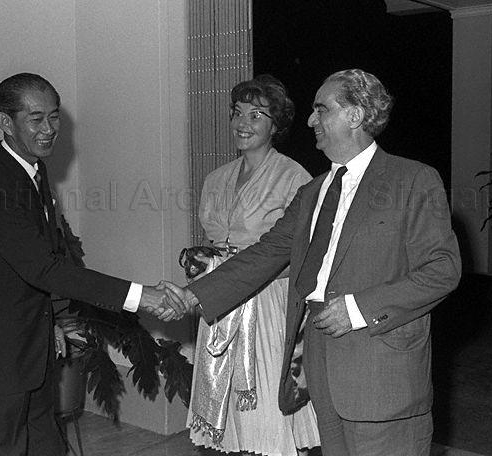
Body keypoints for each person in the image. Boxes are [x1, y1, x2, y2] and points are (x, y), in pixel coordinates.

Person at [171, 69, 462, 456]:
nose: (311, 120)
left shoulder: (412, 180)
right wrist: (193, 297)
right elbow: (266, 253)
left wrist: (358, 309)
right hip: (321, 365)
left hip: (381, 370)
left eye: (321, 109)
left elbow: (443, 269)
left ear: (355, 116)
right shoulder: (313, 192)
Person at [0, 73, 182, 456]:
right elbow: (43, 268)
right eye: (36, 119)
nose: (49, 130)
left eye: (54, 117)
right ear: (5, 122)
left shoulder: (33, 171)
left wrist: (52, 321)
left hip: (31, 349)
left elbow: (40, 260)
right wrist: (140, 296)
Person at [186, 75, 320, 455]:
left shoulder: (295, 178)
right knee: (225, 425)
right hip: (220, 306)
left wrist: (246, 276)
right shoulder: (216, 179)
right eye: (238, 113)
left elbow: (305, 258)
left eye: (257, 115)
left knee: (264, 420)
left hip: (267, 307)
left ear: (275, 125)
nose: (243, 123)